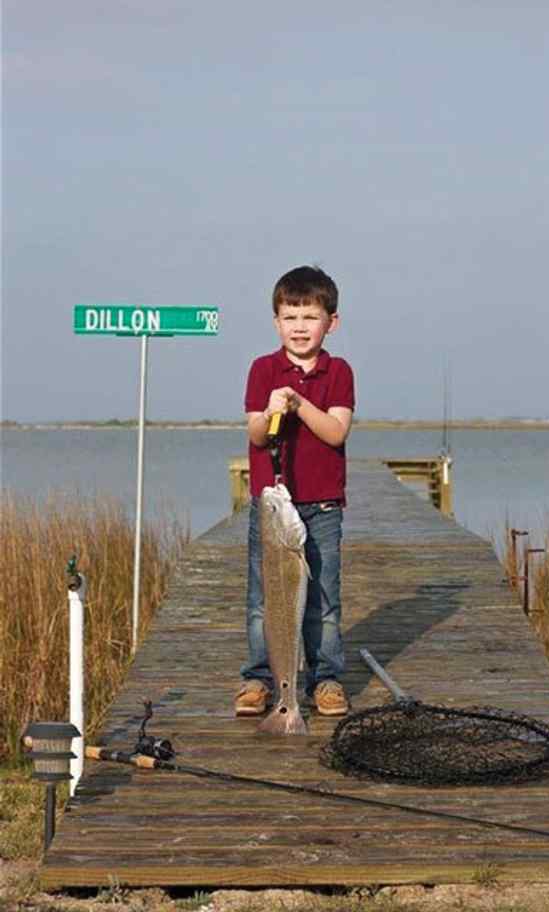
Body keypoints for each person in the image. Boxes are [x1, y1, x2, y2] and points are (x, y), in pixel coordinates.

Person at [236, 265, 355, 718]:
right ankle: (259, 678)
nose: (299, 327)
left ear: (331, 322)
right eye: (290, 317)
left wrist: (300, 403)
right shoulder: (262, 369)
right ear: (276, 322)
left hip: (322, 505)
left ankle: (324, 679)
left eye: (309, 317)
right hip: (272, 506)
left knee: (323, 598)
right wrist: (271, 411)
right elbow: (256, 435)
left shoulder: (338, 371)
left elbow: (336, 432)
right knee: (263, 599)